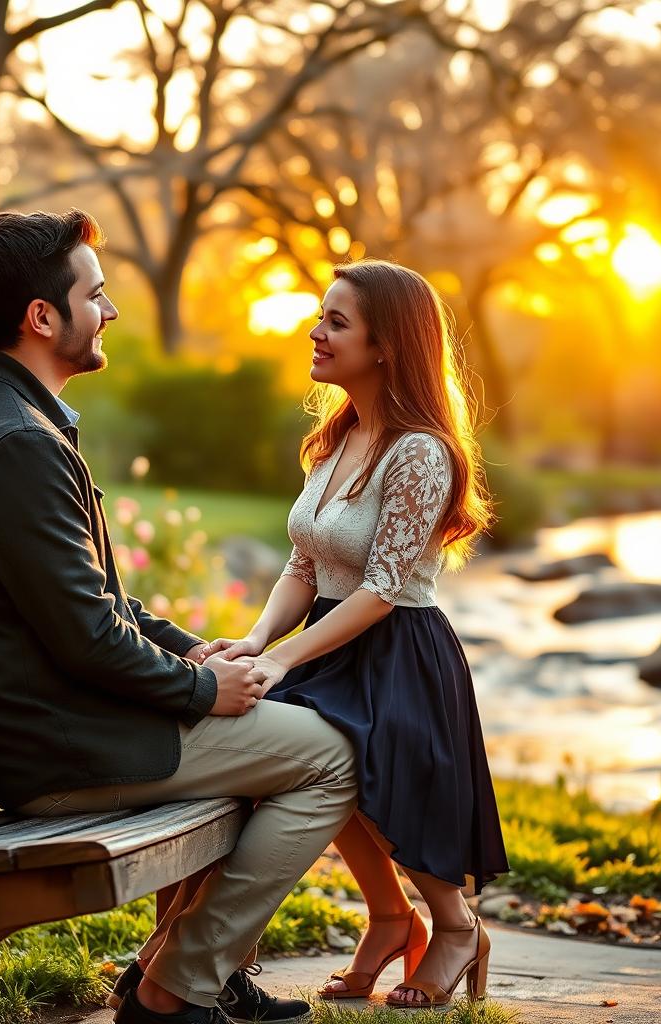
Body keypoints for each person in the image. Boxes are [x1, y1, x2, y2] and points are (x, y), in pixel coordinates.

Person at [0, 209, 358, 1024]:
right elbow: (86, 638)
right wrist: (200, 691)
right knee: (331, 755)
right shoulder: (11, 441)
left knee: (282, 716)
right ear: (42, 317)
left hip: (68, 724)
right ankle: (175, 988)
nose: (110, 311)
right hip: (62, 747)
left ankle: (187, 970)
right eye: (97, 294)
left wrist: (198, 653)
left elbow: (100, 606)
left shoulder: (15, 420)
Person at [198, 259, 510, 1009]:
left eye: (337, 321)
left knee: (388, 792)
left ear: (386, 346)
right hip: (328, 641)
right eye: (320, 315)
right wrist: (255, 639)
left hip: (397, 648)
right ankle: (388, 917)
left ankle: (454, 926)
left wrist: (282, 660)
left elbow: (379, 590)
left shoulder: (421, 453)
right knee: (338, 784)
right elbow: (303, 565)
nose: (315, 330)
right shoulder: (338, 438)